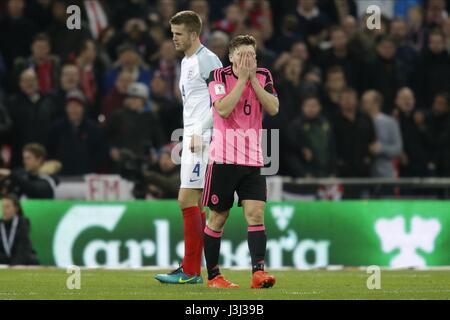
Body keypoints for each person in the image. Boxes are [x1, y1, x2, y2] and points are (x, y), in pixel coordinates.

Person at [202, 35, 279, 288]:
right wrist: (243, 79)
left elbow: (273, 108)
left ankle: (258, 273)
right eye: (244, 55)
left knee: (256, 214)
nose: (250, 60)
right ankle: (214, 276)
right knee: (218, 218)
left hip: (253, 160)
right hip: (223, 160)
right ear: (233, 57)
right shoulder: (218, 76)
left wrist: (252, 81)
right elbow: (223, 109)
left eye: (253, 56)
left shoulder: (264, 75)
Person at [154, 10, 222, 285]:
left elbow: (221, 100)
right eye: (172, 34)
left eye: (178, 34)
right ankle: (193, 268)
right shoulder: (187, 61)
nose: (174, 39)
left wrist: (200, 132)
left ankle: (192, 270)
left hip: (203, 140)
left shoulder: (208, 60)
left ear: (194, 34)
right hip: (193, 137)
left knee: (187, 199)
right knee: (193, 201)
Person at [361, 90, 403, 178]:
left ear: (376, 103)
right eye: (362, 102)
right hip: (363, 174)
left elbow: (398, 148)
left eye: (366, 102)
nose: (362, 105)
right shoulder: (359, 122)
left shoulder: (390, 122)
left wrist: (381, 149)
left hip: (384, 175)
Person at [0, 194, 39, 265]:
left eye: (7, 207)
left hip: (21, 260)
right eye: (3, 207)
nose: (4, 210)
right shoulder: (1, 224)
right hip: (4, 261)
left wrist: (14, 265)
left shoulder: (23, 222)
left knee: (31, 260)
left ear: (16, 208)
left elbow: (23, 246)